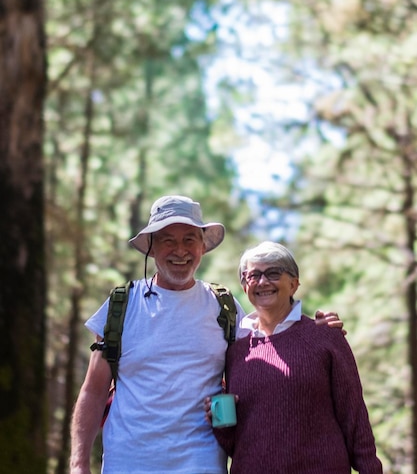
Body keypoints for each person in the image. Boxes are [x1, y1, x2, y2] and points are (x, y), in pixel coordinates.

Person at [70, 196, 344, 474]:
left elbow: (273, 339)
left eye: (190, 239)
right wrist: (78, 463)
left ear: (203, 246)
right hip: (128, 463)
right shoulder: (122, 306)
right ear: (151, 248)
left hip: (202, 463)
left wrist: (314, 328)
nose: (180, 251)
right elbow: (93, 391)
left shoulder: (223, 306)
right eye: (168, 240)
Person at [204, 241, 383, 474]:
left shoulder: (325, 337)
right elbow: (240, 442)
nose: (263, 281)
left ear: (294, 283)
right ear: (244, 285)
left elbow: (355, 419)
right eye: (253, 275)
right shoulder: (237, 351)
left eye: (274, 273)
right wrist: (220, 423)